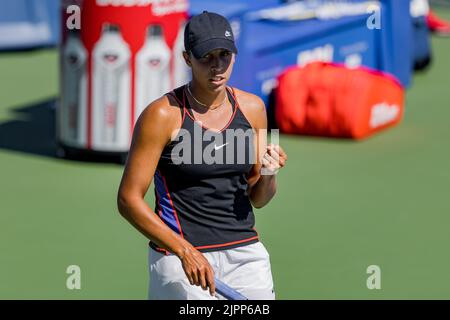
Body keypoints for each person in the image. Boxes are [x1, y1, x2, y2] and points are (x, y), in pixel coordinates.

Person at [117, 11, 287, 300]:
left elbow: (258, 199)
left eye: (224, 55)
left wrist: (270, 174)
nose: (217, 66)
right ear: (187, 59)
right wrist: (184, 251)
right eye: (206, 57)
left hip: (245, 255)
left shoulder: (254, 108)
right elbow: (128, 200)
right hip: (179, 256)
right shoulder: (161, 115)